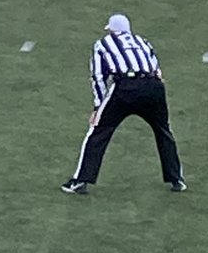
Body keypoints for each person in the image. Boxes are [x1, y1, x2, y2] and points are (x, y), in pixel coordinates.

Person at [60, 13, 186, 196]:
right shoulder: (143, 41)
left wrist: (98, 107)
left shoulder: (103, 44)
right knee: (164, 131)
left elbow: (98, 77)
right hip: (153, 87)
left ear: (112, 30)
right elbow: (157, 71)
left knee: (98, 132)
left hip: (125, 88)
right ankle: (177, 178)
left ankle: (80, 180)